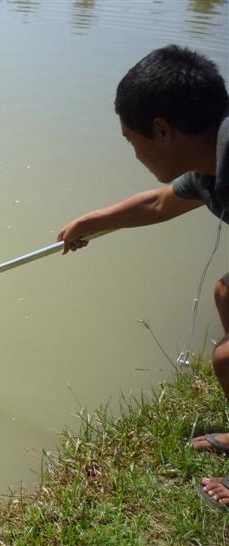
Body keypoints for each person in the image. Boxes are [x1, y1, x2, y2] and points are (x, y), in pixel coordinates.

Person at [57, 45, 229, 509]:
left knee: (227, 358)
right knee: (225, 295)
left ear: (161, 130)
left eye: (132, 141)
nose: (134, 153)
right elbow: (159, 204)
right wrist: (92, 222)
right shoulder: (213, 157)